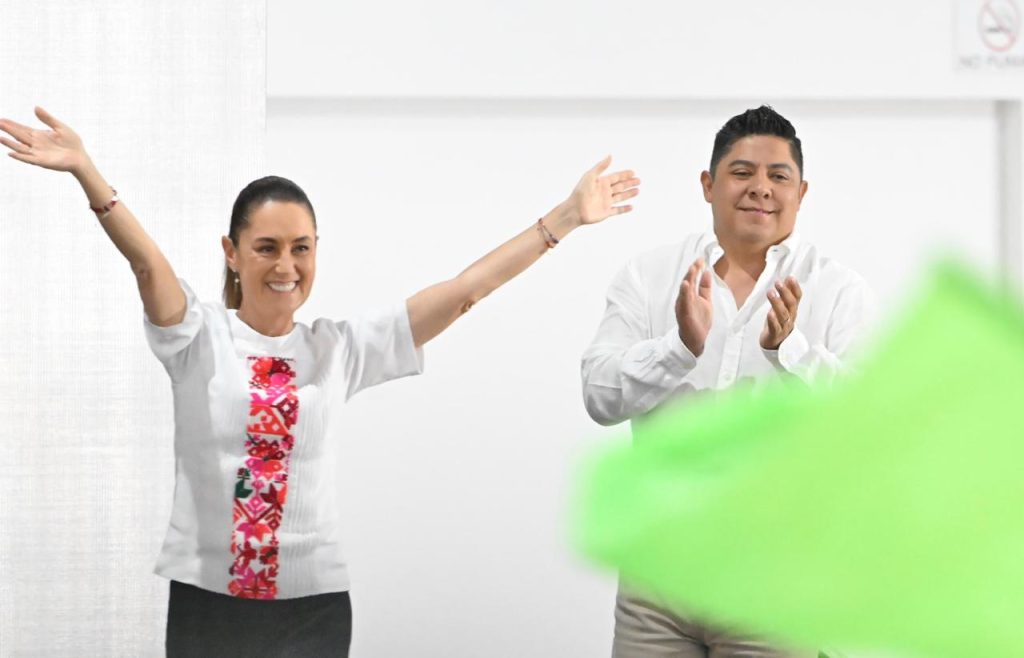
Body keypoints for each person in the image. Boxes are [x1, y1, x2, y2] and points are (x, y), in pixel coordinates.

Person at [0, 106, 640, 657]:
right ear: (232, 252)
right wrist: (87, 172)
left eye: (301, 247)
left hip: (314, 611)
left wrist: (566, 216)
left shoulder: (339, 349)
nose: (286, 264)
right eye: (267, 247)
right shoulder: (197, 336)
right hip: (208, 606)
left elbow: (465, 291)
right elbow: (147, 265)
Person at [581, 105, 873, 658]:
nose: (760, 187)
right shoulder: (649, 275)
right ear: (708, 185)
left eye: (778, 175)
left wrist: (791, 352)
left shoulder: (837, 289)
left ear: (801, 192)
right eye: (742, 172)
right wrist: (678, 349)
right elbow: (598, 396)